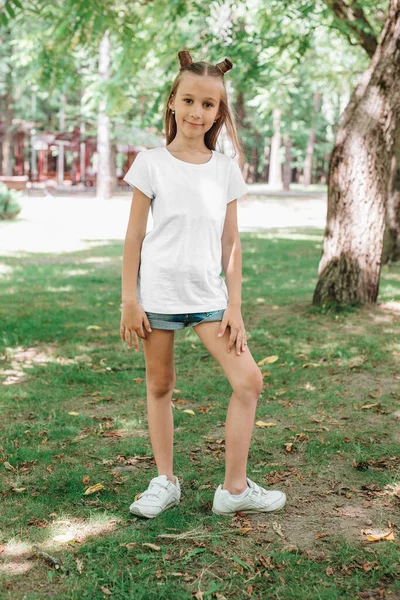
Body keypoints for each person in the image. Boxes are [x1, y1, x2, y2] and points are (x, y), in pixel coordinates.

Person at [120, 49, 287, 519]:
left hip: (210, 299)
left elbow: (230, 242)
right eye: (189, 101)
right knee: (160, 385)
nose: (197, 112)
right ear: (173, 102)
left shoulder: (224, 168)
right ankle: (165, 481)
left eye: (208, 105)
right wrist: (129, 300)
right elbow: (134, 235)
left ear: (219, 111)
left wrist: (234, 305)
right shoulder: (150, 163)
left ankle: (234, 491)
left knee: (248, 381)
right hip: (157, 296)